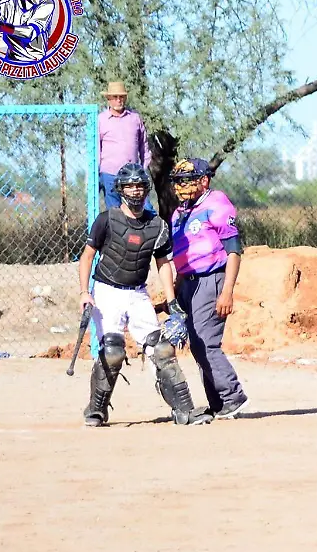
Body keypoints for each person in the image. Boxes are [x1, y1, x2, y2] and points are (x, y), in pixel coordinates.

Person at [77, 163, 213, 427]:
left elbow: (163, 264)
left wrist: (172, 301)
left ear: (146, 189)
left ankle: (183, 409)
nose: (135, 191)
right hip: (106, 291)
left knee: (162, 349)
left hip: (138, 293)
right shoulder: (106, 219)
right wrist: (84, 292)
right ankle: (96, 410)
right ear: (120, 189)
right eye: (129, 186)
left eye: (140, 186)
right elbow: (87, 257)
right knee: (113, 351)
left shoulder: (156, 225)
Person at [168, 157, 250, 419]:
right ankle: (217, 402)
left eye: (188, 180)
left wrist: (227, 291)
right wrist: (175, 289)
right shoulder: (179, 213)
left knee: (207, 343)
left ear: (204, 181)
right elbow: (182, 257)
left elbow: (234, 251)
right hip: (188, 284)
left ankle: (233, 397)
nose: (182, 186)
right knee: (196, 343)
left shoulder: (217, 204)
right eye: (178, 181)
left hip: (211, 279)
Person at [97, 81, 155, 213]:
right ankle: (117, 234)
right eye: (115, 97)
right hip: (110, 174)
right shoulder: (101, 120)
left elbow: (144, 146)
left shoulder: (135, 118)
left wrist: (143, 169)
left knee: (146, 210)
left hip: (134, 175)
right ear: (109, 99)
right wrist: (99, 173)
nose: (119, 100)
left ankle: (150, 233)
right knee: (115, 212)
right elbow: (96, 150)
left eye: (121, 97)